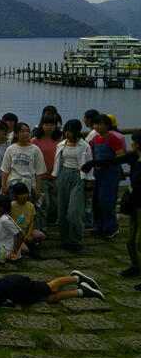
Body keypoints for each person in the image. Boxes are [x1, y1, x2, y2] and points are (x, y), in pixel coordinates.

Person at [82, 130, 141, 285]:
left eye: (134, 141)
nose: (131, 144)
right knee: (130, 239)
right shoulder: (134, 157)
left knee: (139, 241)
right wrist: (91, 164)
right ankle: (136, 266)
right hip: (135, 204)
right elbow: (112, 161)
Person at [0, 268, 106, 309]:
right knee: (49, 298)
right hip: (13, 294)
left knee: (51, 287)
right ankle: (83, 292)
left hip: (15, 285)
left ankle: (76, 277)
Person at [52, 119, 93, 251]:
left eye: (70, 131)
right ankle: (65, 239)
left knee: (74, 212)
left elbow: (89, 164)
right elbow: (57, 163)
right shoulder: (61, 145)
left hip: (78, 177)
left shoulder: (84, 146)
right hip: (63, 175)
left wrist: (89, 183)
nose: (67, 134)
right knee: (62, 210)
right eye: (66, 131)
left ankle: (75, 240)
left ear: (76, 132)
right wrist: (55, 179)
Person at [89, 114, 125, 239]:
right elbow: (91, 154)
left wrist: (105, 163)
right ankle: (99, 225)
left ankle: (111, 227)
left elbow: (120, 156)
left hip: (110, 173)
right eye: (95, 124)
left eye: (99, 124)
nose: (96, 126)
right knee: (97, 200)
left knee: (107, 200)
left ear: (107, 125)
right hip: (98, 173)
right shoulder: (95, 139)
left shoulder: (113, 139)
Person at [32, 114, 63, 230]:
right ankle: (42, 228)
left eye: (52, 125)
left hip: (56, 176)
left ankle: (52, 223)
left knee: (55, 203)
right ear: (42, 125)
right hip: (42, 177)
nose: (49, 127)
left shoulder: (60, 141)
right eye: (46, 124)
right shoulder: (35, 141)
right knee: (44, 204)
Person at [0, 122, 45, 201]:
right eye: (23, 131)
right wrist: (3, 184)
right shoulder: (11, 149)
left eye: (27, 131)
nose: (26, 133)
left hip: (29, 185)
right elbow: (5, 169)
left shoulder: (35, 149)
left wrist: (38, 188)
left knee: (28, 207)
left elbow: (39, 172)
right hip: (13, 184)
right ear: (16, 134)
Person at [9, 183, 45, 257]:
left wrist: (29, 233)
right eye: (21, 194)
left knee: (41, 235)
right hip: (16, 234)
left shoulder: (30, 205)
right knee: (24, 250)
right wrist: (22, 235)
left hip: (26, 230)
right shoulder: (11, 205)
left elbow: (32, 222)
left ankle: (28, 242)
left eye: (26, 193)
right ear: (16, 195)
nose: (24, 196)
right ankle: (24, 244)